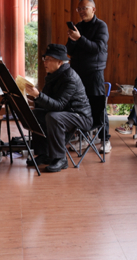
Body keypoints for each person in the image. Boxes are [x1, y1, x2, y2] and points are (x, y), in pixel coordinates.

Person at [25, 44, 93, 173]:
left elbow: (59, 105)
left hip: (80, 116)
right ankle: (44, 154)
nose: (45, 62)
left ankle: (60, 159)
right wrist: (34, 99)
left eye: (49, 59)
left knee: (53, 117)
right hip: (64, 113)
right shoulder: (53, 75)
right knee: (35, 114)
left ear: (60, 62)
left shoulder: (69, 77)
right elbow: (49, 102)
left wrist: (38, 95)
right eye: (45, 58)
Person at [66, 0, 111, 154]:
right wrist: (72, 39)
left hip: (94, 72)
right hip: (77, 73)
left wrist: (80, 39)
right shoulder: (78, 26)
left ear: (93, 9)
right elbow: (69, 51)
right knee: (80, 105)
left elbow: (97, 48)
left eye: (84, 8)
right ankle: (84, 137)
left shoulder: (101, 26)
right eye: (79, 9)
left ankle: (105, 139)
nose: (81, 11)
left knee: (98, 106)